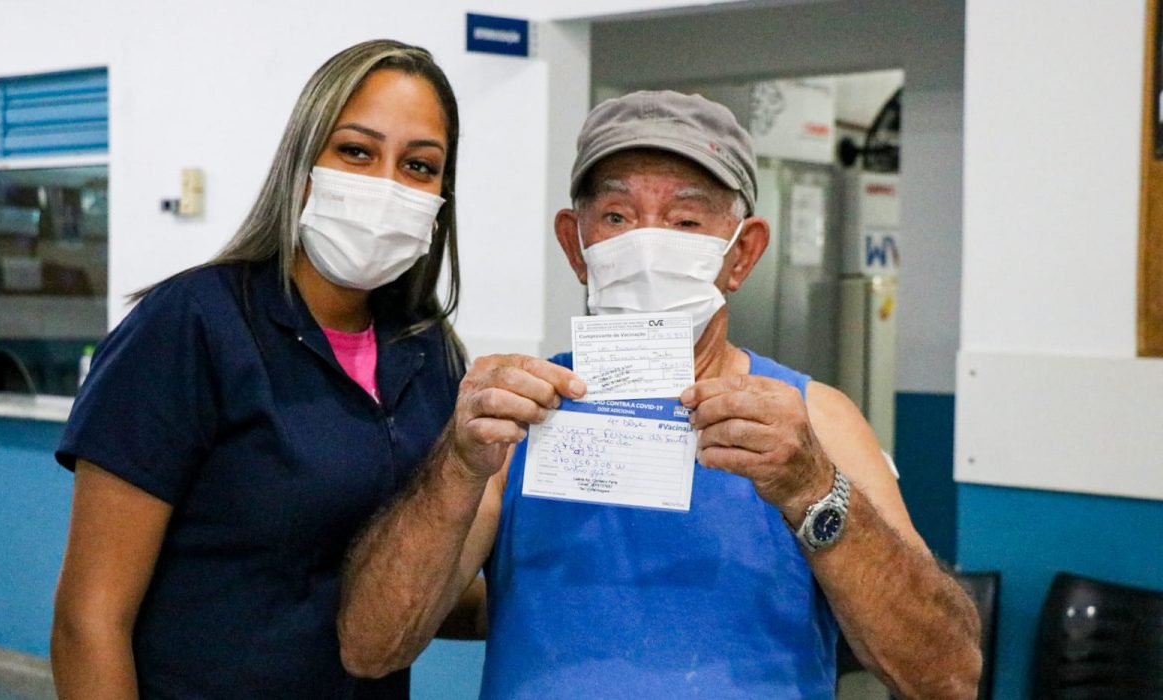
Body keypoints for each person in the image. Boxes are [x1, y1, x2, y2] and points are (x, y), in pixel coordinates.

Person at [337, 90, 982, 699]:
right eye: (616, 216)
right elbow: (371, 649)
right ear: (576, 244)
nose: (647, 244)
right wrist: (456, 463)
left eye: (686, 219)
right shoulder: (518, 420)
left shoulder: (815, 419)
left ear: (742, 253)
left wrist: (813, 487)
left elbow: (947, 677)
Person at [51, 39, 465, 699]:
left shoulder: (430, 354)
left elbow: (423, 591)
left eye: (419, 165)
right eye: (356, 151)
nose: (388, 185)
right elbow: (89, 620)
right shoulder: (191, 325)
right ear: (302, 164)